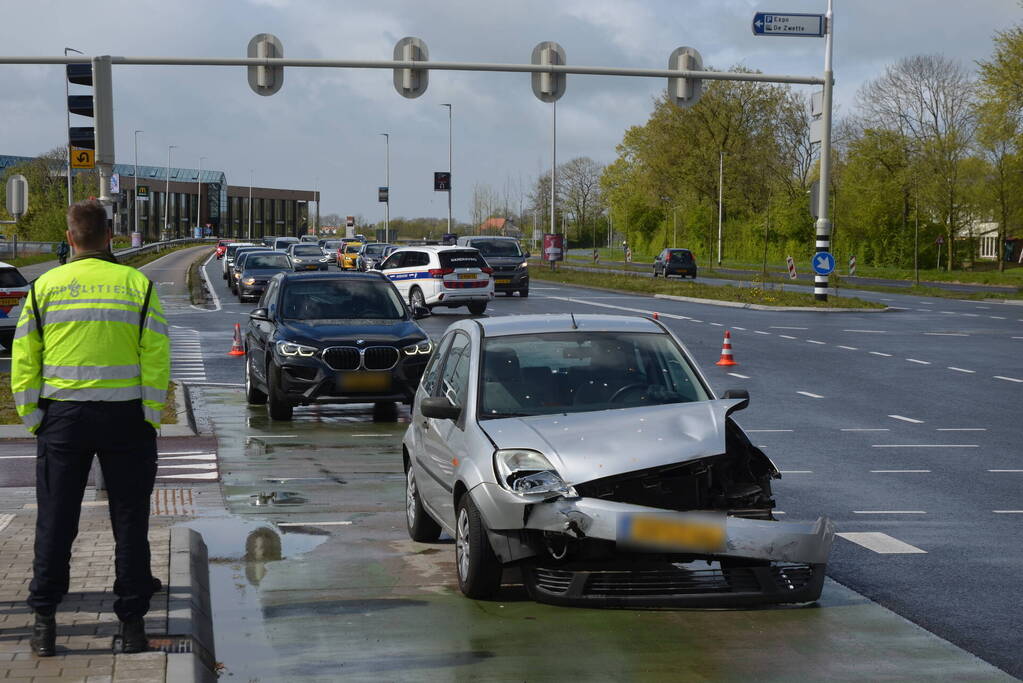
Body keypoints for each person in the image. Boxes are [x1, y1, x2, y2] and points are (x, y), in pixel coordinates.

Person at [11, 200, 170, 657]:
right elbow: (156, 355)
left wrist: (33, 417)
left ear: (70, 236)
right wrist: (151, 415)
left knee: (57, 521)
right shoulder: (137, 285)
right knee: (130, 522)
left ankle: (43, 624)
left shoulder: (44, 286)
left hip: (62, 420)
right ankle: (133, 626)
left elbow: (25, 359)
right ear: (110, 235)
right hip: (126, 419)